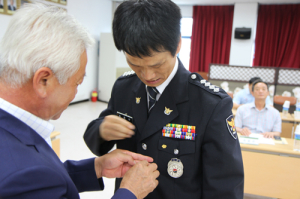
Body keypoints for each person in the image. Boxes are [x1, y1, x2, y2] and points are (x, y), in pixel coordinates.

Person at [84, 0, 244, 198]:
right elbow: (95, 142)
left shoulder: (210, 103)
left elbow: (224, 186)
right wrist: (102, 131)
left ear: (177, 44)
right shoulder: (124, 88)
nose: (147, 75)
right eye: (135, 65)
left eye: (157, 64)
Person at [0, 3, 159, 199]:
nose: (76, 93)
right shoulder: (17, 174)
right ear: (43, 81)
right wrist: (129, 193)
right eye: (77, 83)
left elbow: (45, 182)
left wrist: (96, 167)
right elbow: (33, 177)